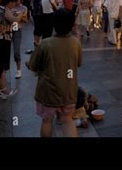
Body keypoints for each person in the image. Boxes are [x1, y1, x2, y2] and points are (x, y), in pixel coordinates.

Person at [27, 9, 82, 137]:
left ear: (54, 24)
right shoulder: (76, 43)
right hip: (68, 91)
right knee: (67, 121)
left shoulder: (45, 43)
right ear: (72, 25)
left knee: (47, 121)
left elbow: (33, 66)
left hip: (48, 92)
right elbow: (78, 63)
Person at [12, 0, 28, 79]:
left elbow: (26, 20)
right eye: (14, 0)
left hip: (18, 29)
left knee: (16, 51)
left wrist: (20, 16)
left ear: (21, 0)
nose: (15, 2)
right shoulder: (9, 7)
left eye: (17, 0)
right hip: (8, 30)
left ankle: (18, 70)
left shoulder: (24, 8)